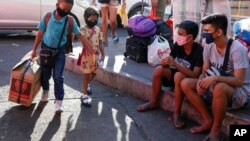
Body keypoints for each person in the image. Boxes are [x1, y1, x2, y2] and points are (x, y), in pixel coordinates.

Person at [180, 13, 250, 141]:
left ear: (218, 32)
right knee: (185, 83)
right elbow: (205, 70)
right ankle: (207, 120)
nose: (204, 34)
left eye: (207, 31)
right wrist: (200, 80)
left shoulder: (237, 49)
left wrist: (215, 79)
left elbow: (239, 81)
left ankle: (215, 130)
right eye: (204, 30)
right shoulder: (208, 46)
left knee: (219, 87)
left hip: (240, 93)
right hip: (218, 83)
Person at [31, 0, 94, 113]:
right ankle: (45, 90)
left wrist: (90, 47)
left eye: (68, 10)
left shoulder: (70, 20)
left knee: (58, 77)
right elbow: (40, 33)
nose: (65, 12)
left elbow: (79, 35)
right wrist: (34, 50)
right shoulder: (47, 17)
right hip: (46, 50)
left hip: (60, 52)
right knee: (45, 75)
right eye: (64, 9)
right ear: (57, 4)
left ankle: (58, 102)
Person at [137, 20, 203, 117]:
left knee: (178, 75)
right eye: (178, 33)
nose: (178, 36)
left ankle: (176, 114)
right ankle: (153, 102)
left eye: (181, 34)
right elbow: (170, 60)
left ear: (190, 37)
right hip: (175, 77)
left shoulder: (199, 50)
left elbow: (195, 75)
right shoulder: (178, 45)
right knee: (158, 70)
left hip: (186, 81)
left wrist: (176, 65)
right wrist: (165, 63)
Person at [79, 7, 105, 107]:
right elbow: (82, 41)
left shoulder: (98, 29)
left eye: (95, 20)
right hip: (86, 57)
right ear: (85, 18)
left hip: (96, 57)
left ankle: (86, 85)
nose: (93, 22)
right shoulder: (82, 29)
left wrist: (103, 55)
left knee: (93, 74)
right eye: (91, 20)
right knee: (86, 76)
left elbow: (101, 42)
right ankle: (84, 95)